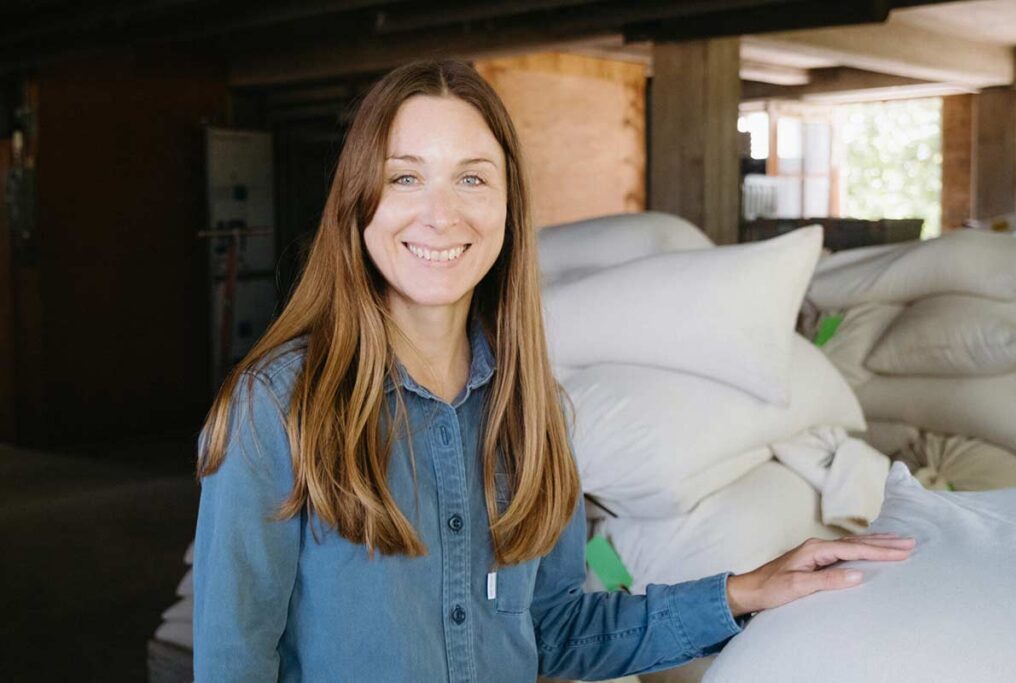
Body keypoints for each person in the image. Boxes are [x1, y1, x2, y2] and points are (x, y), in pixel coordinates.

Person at [192, 59, 914, 682]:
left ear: (508, 205)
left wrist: (743, 591)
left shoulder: (531, 414)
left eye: (472, 178)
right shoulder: (276, 407)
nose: (439, 214)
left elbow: (557, 627)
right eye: (405, 177)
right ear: (359, 202)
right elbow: (234, 663)